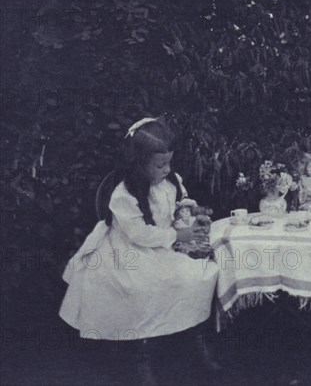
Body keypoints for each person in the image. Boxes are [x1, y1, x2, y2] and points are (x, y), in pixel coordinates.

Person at [59, 117, 219, 385]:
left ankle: (195, 335)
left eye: (169, 162)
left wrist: (186, 211)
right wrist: (177, 235)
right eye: (159, 165)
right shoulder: (124, 195)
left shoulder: (172, 181)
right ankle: (141, 350)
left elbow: (178, 204)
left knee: (200, 275)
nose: (167, 169)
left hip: (164, 243)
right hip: (131, 250)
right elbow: (139, 234)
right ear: (138, 162)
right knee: (145, 285)